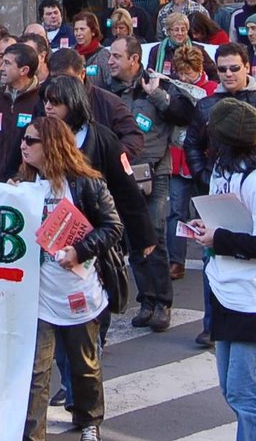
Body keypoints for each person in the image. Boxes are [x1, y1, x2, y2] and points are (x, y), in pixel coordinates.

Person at [184, 43, 256, 348]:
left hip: (254, 189)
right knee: (214, 256)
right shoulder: (207, 106)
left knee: (251, 256)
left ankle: (237, 317)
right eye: (222, 69)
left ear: (247, 67)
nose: (228, 74)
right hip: (221, 189)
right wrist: (206, 177)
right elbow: (193, 144)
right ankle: (213, 323)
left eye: (234, 68)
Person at [192, 98, 256, 441]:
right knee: (232, 389)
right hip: (227, 291)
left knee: (241, 392)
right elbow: (226, 222)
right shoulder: (222, 172)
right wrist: (206, 228)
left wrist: (218, 238)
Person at [18, 116, 123, 441]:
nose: (23, 145)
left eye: (30, 140)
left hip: (79, 291)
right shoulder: (22, 185)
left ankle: (89, 420)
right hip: (38, 296)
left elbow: (113, 226)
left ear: (51, 145)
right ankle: (33, 435)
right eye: (23, 138)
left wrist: (79, 250)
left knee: (84, 365)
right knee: (36, 372)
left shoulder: (85, 183)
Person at [101, 35, 191, 329]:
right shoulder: (107, 89)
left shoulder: (157, 83)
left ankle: (163, 302)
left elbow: (185, 114)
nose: (110, 61)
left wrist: (158, 96)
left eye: (116, 56)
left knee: (154, 234)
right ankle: (147, 300)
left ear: (134, 59)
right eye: (110, 56)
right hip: (122, 174)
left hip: (155, 172)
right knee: (133, 238)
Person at [164, 46, 216, 279]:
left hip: (202, 160)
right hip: (178, 158)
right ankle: (176, 261)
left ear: (199, 69)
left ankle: (210, 256)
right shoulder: (174, 88)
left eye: (188, 73)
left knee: (206, 211)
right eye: (181, 73)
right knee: (176, 211)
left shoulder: (212, 89)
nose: (184, 78)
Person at [0, 43, 43, 182]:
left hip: (27, 185)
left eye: (7, 63)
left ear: (24, 70)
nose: (1, 68)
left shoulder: (41, 101)